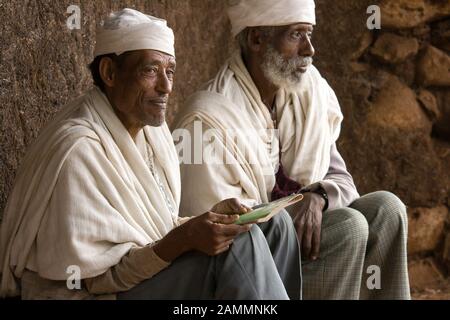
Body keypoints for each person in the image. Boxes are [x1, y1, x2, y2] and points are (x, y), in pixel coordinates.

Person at [0, 8, 301, 300]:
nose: (166, 86)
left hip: (135, 278)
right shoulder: (80, 150)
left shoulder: (152, 135)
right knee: (240, 244)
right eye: (150, 71)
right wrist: (184, 238)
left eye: (169, 71)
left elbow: (153, 228)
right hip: (98, 293)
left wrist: (207, 221)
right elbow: (102, 279)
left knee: (277, 225)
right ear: (109, 72)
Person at [173, 0, 411, 300]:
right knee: (349, 227)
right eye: (297, 35)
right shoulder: (208, 121)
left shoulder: (306, 97)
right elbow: (222, 238)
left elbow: (343, 183)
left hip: (302, 246)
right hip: (258, 269)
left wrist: (317, 197)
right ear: (257, 39)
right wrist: (287, 211)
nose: (309, 50)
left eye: (310, 34)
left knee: (387, 209)